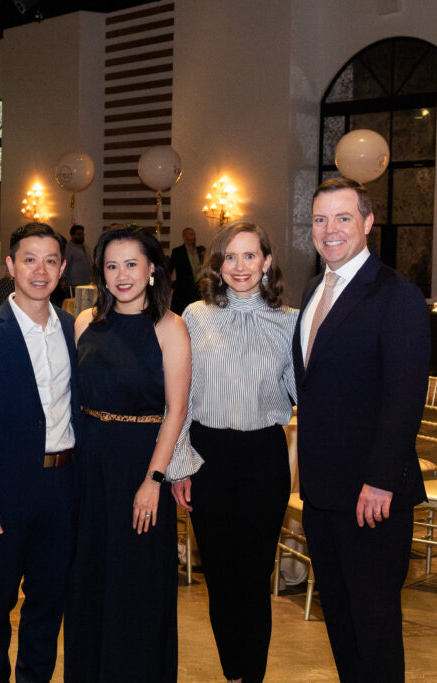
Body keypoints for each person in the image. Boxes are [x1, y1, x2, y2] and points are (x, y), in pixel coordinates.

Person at [294, 177, 429, 682]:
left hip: (371, 498)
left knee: (374, 632)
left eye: (343, 218)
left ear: (368, 223)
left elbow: (404, 398)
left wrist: (380, 480)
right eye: (320, 220)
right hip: (323, 494)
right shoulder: (314, 290)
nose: (330, 230)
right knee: (343, 627)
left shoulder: (396, 295)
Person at [168, 222, 297, 683]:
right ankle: (233, 672)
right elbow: (181, 398)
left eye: (249, 256)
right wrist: (179, 466)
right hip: (208, 455)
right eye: (230, 257)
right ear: (217, 265)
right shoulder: (195, 316)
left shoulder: (291, 322)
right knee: (220, 577)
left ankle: (251, 675)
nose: (240, 266)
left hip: (263, 455)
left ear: (266, 262)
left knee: (254, 576)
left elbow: (304, 392)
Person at [64, 225, 191, 683]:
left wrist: (153, 481)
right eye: (112, 266)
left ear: (153, 269)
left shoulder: (170, 327)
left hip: (140, 462)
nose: (121, 275)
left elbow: (176, 411)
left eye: (131, 264)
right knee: (88, 577)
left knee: (136, 582)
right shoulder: (85, 322)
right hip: (88, 464)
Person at [0, 222, 80, 683]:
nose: (40, 270)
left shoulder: (74, 329)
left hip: (63, 484)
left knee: (49, 600)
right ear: (10, 265)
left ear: (63, 268)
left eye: (50, 260)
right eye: (30, 259)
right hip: (7, 490)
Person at [168, 227, 205, 314]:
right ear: (184, 237)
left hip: (197, 290)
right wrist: (167, 284)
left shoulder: (200, 251)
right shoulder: (177, 251)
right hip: (182, 290)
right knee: (181, 314)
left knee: (196, 314)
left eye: (194, 234)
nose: (193, 237)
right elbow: (169, 268)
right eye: (191, 234)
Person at [62, 224, 92, 288]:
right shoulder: (69, 248)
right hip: (75, 284)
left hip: (87, 282)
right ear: (72, 235)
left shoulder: (85, 246)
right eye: (78, 234)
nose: (81, 236)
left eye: (82, 234)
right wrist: (63, 280)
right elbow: (65, 264)